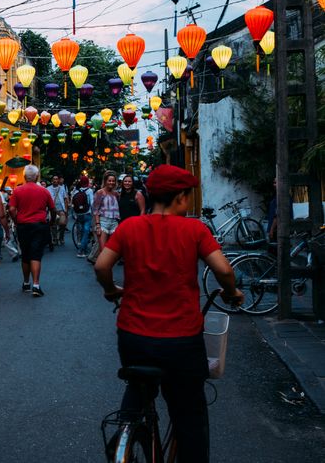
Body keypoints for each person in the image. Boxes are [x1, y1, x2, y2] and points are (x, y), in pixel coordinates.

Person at [93, 164, 244, 463]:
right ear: (179, 198)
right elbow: (224, 270)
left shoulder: (129, 227)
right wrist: (231, 292)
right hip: (181, 339)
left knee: (138, 388)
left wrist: (111, 290)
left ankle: (125, 430)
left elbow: (101, 266)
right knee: (190, 415)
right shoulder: (194, 229)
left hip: (134, 335)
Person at [8, 164, 55, 297]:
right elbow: (52, 208)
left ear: (24, 177)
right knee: (36, 254)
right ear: (36, 177)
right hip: (39, 225)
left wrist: (16, 220)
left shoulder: (17, 191)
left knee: (26, 255)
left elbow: (11, 209)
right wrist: (51, 221)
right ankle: (36, 284)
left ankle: (26, 282)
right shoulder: (44, 191)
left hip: (23, 225)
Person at [90, 171, 120, 261]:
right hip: (103, 222)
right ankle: (101, 270)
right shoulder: (100, 192)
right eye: (109, 180)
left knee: (112, 250)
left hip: (114, 223)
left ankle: (104, 268)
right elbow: (95, 210)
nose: (111, 182)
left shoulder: (116, 194)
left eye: (113, 181)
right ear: (105, 181)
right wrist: (98, 225)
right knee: (103, 251)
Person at [71, 175, 94, 258]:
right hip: (87, 213)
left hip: (78, 214)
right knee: (86, 232)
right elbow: (92, 203)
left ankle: (81, 245)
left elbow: (73, 202)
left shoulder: (76, 190)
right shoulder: (90, 191)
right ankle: (81, 250)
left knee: (80, 231)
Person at [46, 175, 69, 248]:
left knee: (62, 223)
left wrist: (66, 209)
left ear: (58, 180)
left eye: (56, 179)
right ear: (52, 180)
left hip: (61, 209)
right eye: (54, 179)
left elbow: (65, 199)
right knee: (53, 225)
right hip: (52, 209)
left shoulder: (62, 188)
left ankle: (61, 237)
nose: (55, 180)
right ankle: (55, 239)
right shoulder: (48, 189)